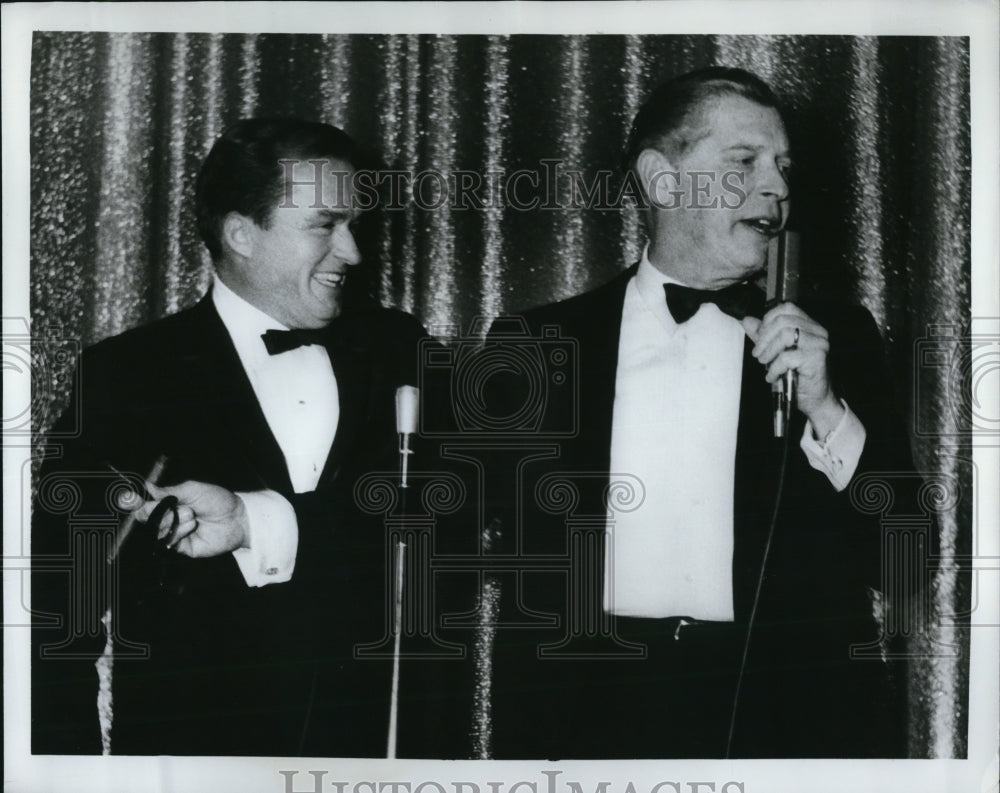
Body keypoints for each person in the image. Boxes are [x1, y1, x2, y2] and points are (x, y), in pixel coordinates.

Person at [485, 67, 922, 758]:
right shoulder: (536, 344)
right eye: (744, 161)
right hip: (592, 716)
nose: (776, 187)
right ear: (662, 179)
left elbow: (907, 556)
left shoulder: (837, 335)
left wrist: (825, 408)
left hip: (789, 720)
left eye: (782, 165)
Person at [31, 118, 456, 757]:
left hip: (379, 750)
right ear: (240, 234)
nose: (354, 252)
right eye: (324, 225)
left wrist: (256, 522)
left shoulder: (401, 348)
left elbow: (451, 520)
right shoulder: (127, 373)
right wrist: (68, 773)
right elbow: (58, 606)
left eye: (353, 226)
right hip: (197, 759)